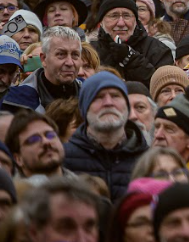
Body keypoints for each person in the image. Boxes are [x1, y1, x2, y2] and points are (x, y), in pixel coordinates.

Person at [62, 72, 147, 200]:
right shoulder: (63, 158)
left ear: (127, 107)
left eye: (115, 96)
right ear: (84, 108)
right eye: (99, 97)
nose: (108, 103)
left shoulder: (148, 158)